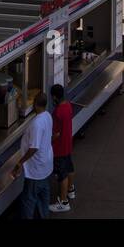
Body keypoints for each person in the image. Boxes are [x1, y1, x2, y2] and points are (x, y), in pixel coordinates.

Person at [12, 90, 53, 218]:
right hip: (46, 165)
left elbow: (33, 148)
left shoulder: (37, 124)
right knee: (43, 198)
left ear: (35, 105)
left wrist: (20, 162)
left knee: (28, 200)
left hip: (36, 170)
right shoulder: (47, 116)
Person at [48, 84, 75, 213]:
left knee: (61, 174)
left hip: (59, 148)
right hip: (68, 144)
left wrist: (47, 142)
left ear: (54, 96)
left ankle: (63, 202)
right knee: (69, 168)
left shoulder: (57, 112)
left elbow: (56, 134)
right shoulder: (68, 106)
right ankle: (71, 190)